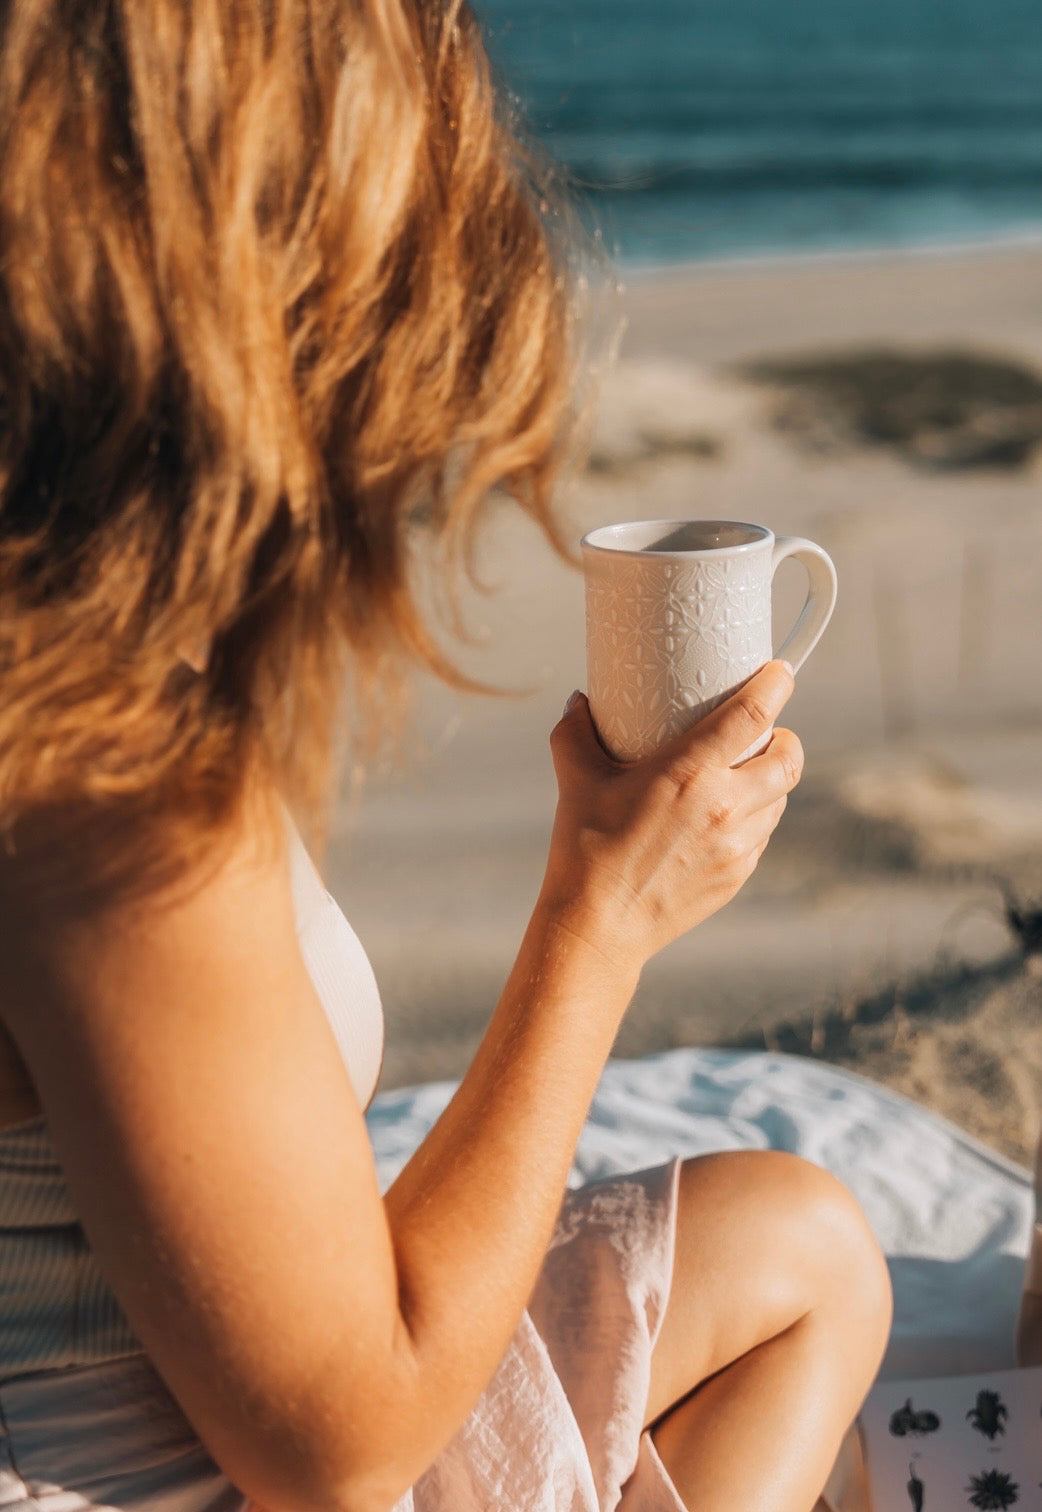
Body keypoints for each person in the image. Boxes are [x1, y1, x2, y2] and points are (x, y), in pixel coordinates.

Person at [0, 4, 892, 1511]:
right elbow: (341, 1450)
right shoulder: (104, 779)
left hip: (184, 1390)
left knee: (796, 1244)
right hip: (172, 1476)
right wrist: (599, 921)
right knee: (812, 1280)